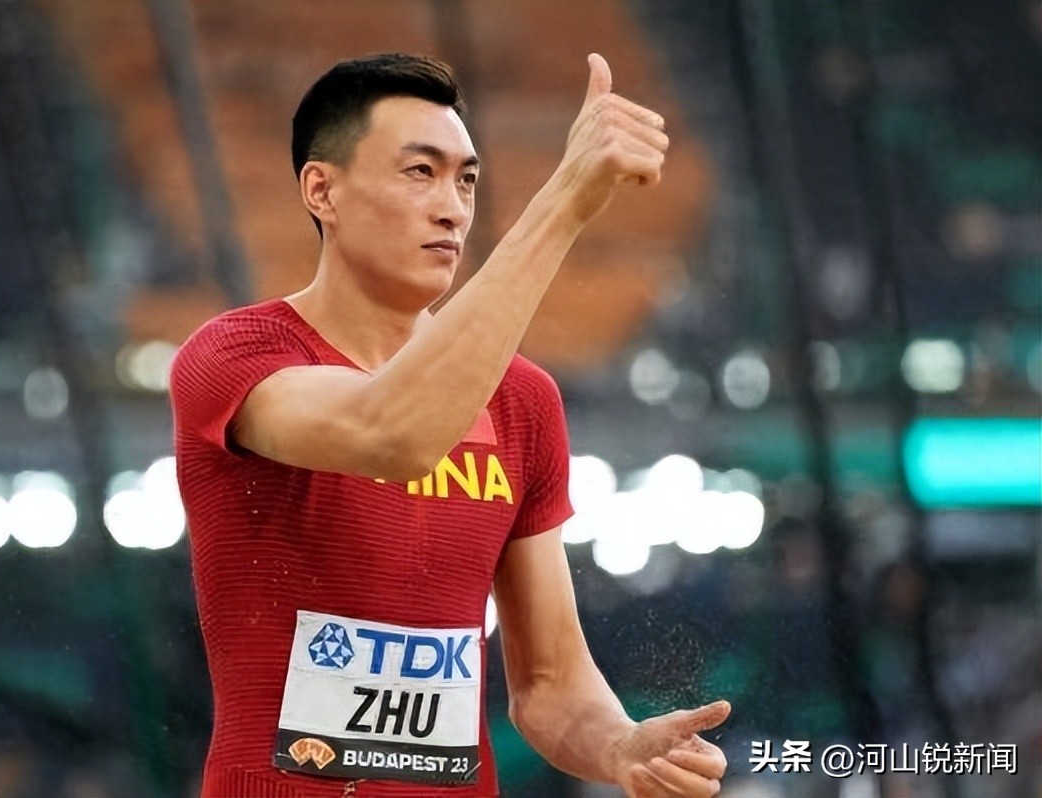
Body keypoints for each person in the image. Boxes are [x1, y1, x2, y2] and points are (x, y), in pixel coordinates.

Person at [171, 52, 730, 798]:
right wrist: (563, 202)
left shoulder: (523, 400)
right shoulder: (236, 355)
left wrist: (622, 746)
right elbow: (391, 434)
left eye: (466, 180)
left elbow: (551, 683)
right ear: (322, 190)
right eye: (419, 172)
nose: (453, 208)